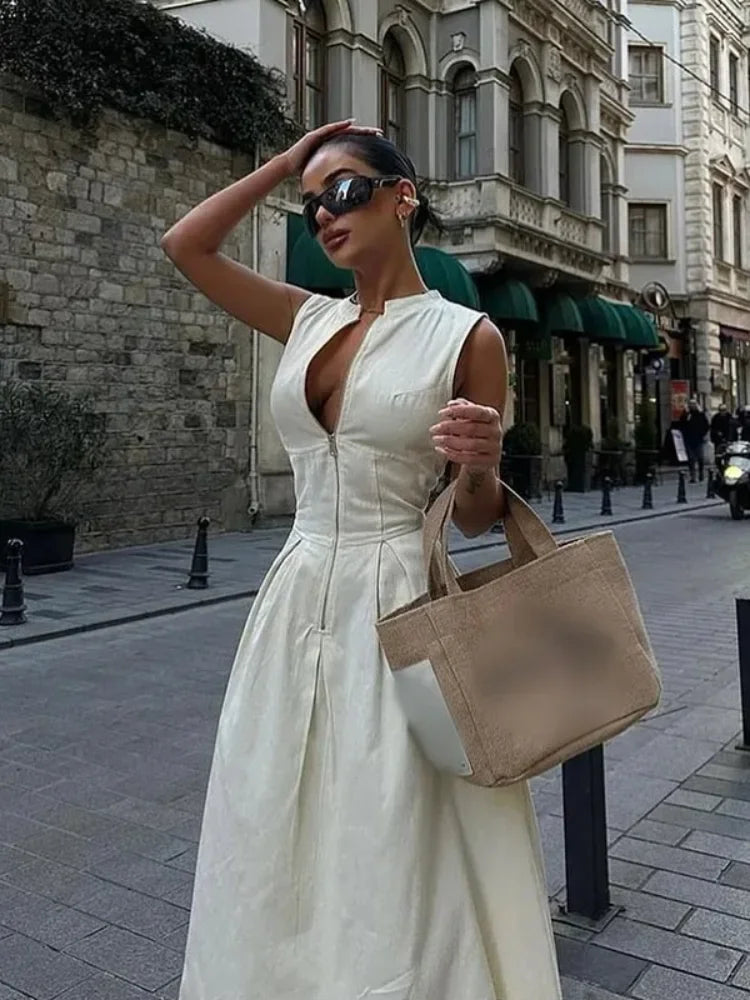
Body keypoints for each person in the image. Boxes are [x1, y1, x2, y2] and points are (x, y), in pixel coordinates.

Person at [161, 121, 562, 1000]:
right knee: (271, 806)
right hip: (296, 588)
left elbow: (475, 517)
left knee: (394, 821)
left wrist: (484, 461)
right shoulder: (308, 317)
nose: (324, 216)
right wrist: (289, 161)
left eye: (344, 191)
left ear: (400, 197)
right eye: (311, 206)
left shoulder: (468, 337)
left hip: (398, 597)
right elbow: (186, 244)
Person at [679, 398, 709, 482]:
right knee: (691, 459)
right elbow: (681, 424)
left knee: (700, 458)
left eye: (694, 404)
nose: (692, 406)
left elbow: (706, 425)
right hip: (689, 439)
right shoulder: (686, 414)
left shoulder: (700, 414)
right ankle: (693, 476)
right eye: (690, 404)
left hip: (699, 439)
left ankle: (701, 474)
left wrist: (702, 434)